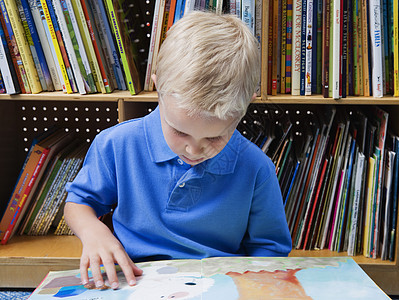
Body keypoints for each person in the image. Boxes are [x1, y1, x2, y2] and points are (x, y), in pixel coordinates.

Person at [64, 11, 292, 290]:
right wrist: (93, 232)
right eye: (180, 131)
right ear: (158, 88)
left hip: (219, 287)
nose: (194, 149)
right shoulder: (116, 144)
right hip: (135, 282)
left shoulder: (256, 168)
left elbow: (269, 250)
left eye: (216, 136)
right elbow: (79, 203)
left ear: (246, 108)